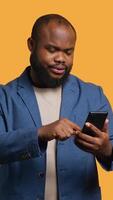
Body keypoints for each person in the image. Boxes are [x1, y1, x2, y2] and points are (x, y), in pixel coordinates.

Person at [0, 14, 113, 200]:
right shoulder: (4, 96)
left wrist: (105, 148)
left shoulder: (94, 95)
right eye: (52, 50)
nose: (61, 59)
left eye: (68, 52)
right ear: (31, 44)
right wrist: (40, 133)